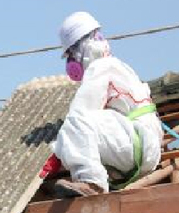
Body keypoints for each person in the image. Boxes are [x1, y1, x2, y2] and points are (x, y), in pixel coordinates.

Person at [44, 12, 163, 197]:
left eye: (70, 55)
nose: (71, 62)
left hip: (135, 145)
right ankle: (100, 177)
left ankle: (92, 182)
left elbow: (81, 112)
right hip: (144, 150)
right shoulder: (118, 66)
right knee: (84, 135)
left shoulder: (100, 67)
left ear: (81, 48)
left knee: (76, 122)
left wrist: (56, 152)